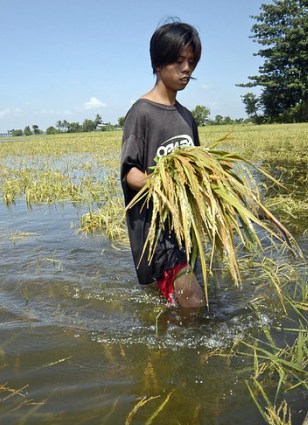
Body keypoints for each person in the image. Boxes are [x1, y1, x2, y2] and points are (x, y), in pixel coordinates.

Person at [120, 20, 204, 309]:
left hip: (185, 227)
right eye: (179, 61)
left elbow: (197, 168)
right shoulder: (141, 113)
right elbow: (130, 172)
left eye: (191, 61)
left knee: (178, 302)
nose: (187, 69)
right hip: (158, 231)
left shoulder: (186, 117)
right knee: (192, 301)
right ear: (158, 63)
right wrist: (164, 182)